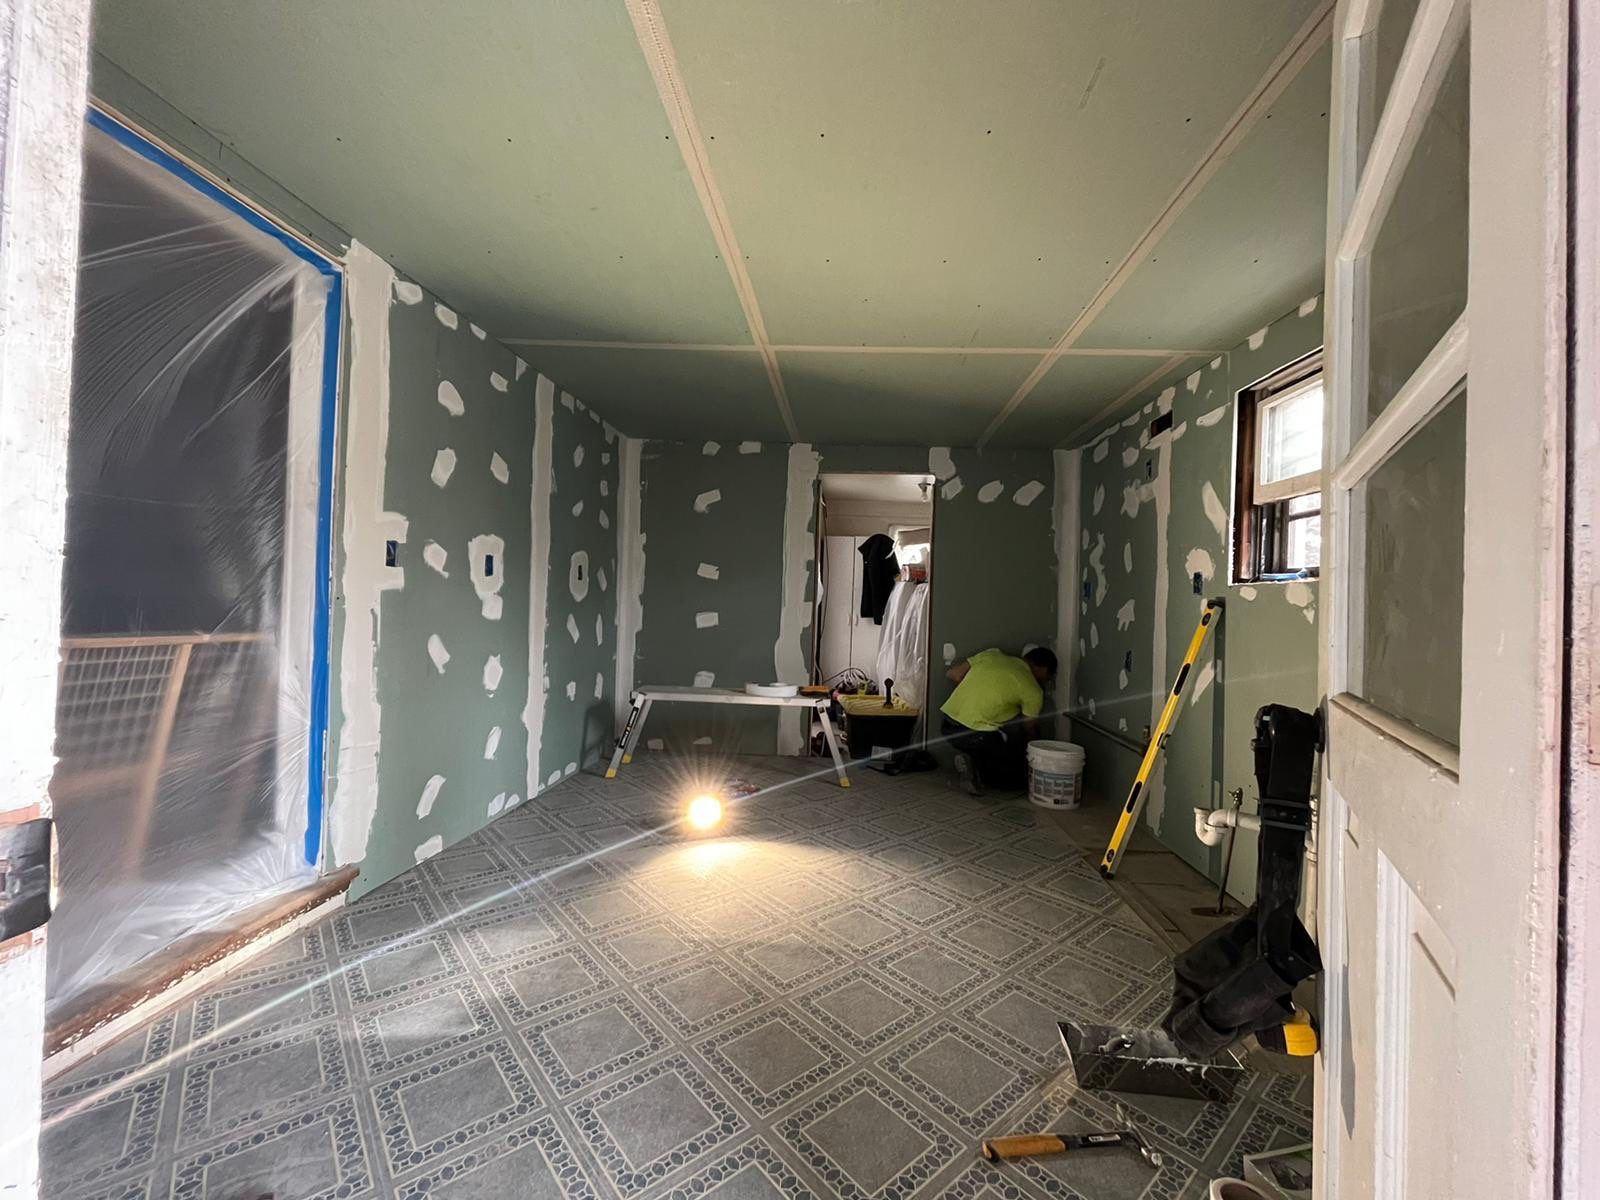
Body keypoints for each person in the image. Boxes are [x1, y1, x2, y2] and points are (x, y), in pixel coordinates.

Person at [939, 646, 1057, 795]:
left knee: (992, 741)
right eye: (1048, 675)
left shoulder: (991, 655)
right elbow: (1029, 728)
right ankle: (976, 772)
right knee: (1008, 774)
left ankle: (972, 761)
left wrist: (979, 689)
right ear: (1042, 669)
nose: (1047, 679)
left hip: (948, 725)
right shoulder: (1032, 689)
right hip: (978, 736)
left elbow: (953, 674)